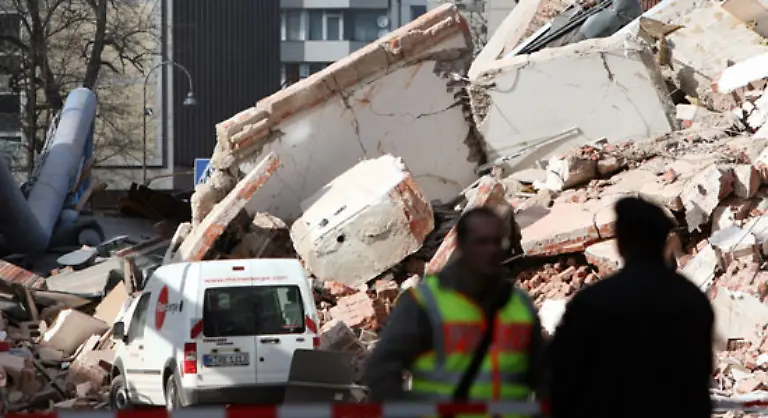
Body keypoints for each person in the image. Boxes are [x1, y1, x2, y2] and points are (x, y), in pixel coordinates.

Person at [364, 207, 546, 414]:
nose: (491, 250)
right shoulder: (425, 303)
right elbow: (382, 369)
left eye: (497, 242)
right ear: (461, 245)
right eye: (481, 242)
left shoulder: (519, 305)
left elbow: (542, 374)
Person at [548, 197, 714, 418]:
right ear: (665, 243)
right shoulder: (691, 298)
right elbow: (702, 372)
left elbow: (560, 375)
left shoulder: (593, 301)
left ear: (621, 244)